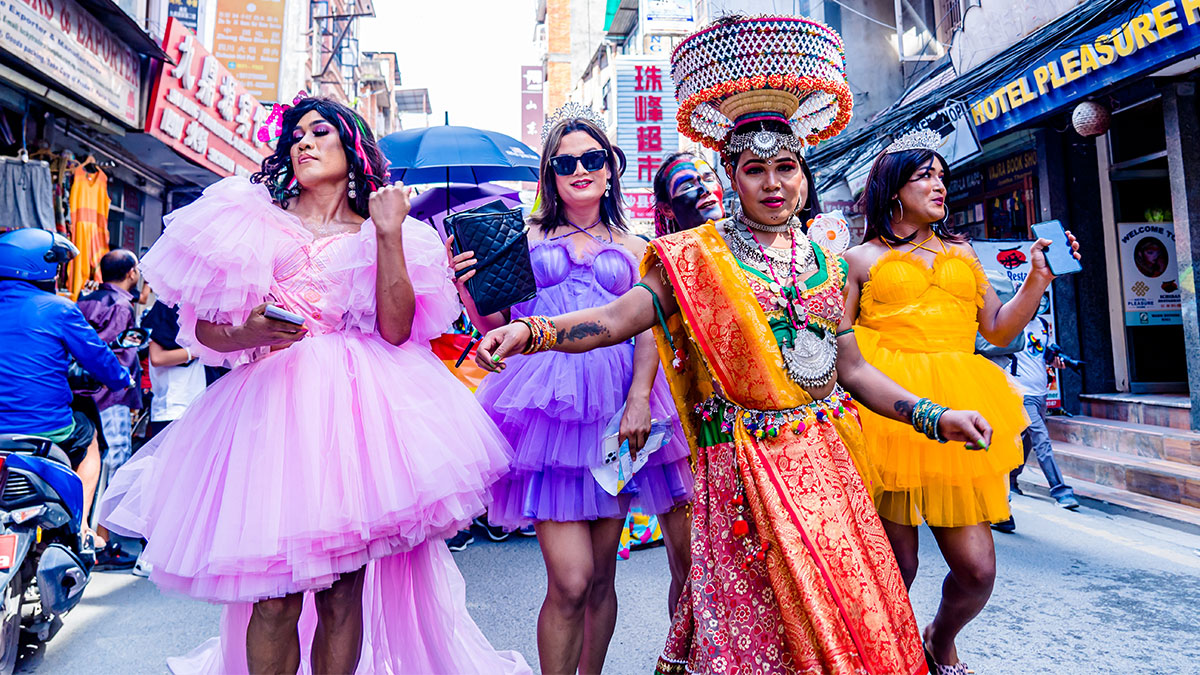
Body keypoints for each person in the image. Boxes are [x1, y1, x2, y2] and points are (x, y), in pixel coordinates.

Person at [473, 15, 993, 674]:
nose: (773, 184)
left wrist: (932, 415)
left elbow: (853, 369)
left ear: (803, 174)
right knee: (751, 641)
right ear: (731, 174)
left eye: (785, 167)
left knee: (841, 625)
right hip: (742, 477)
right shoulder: (692, 258)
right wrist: (532, 332)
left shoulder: (827, 259)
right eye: (755, 170)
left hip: (828, 472)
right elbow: (614, 320)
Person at [98, 96, 529, 674]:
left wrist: (389, 234)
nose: (302, 142)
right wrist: (247, 329)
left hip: (359, 416)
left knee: (343, 592)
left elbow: (398, 329)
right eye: (295, 135)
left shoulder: (391, 229)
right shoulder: (252, 219)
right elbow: (204, 331)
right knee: (273, 598)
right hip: (270, 411)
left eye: (319, 132)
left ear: (351, 149)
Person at [448, 103, 694, 673]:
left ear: (611, 168)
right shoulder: (520, 235)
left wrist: (638, 401)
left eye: (592, 159)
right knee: (571, 580)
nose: (579, 170)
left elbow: (650, 329)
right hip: (546, 409)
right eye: (565, 163)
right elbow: (495, 329)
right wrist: (470, 292)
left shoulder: (638, 248)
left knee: (602, 577)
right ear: (549, 175)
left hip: (619, 409)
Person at [843, 129, 1081, 673]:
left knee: (977, 571)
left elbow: (997, 330)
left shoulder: (964, 253)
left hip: (964, 409)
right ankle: (892, 659)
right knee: (896, 568)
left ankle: (939, 637)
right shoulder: (855, 260)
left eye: (942, 176)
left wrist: (1038, 282)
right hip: (886, 415)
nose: (939, 185)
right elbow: (840, 350)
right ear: (891, 189)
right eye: (924, 175)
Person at [0, 228, 132, 545]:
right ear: (41, 266)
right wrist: (121, 379)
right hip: (43, 428)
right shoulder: (58, 309)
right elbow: (100, 359)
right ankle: (82, 528)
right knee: (89, 440)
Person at [76, 249, 144, 568]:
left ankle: (83, 531)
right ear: (130, 272)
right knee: (112, 465)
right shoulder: (120, 305)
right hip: (109, 393)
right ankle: (99, 541)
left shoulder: (86, 300)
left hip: (81, 395)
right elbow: (113, 352)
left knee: (91, 463)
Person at [992, 311, 1080, 529]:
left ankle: (1011, 480)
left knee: (1027, 441)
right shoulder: (1012, 322)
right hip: (1022, 393)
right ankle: (1060, 491)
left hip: (1041, 393)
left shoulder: (1041, 324)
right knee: (1041, 439)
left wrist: (1057, 361)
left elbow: (1041, 354)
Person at [141, 299, 206, 439]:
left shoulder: (202, 305)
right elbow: (157, 357)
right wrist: (199, 350)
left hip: (200, 405)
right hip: (175, 405)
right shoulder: (168, 304)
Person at [652, 151, 726, 237]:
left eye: (709, 179)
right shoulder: (665, 250)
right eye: (688, 187)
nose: (706, 190)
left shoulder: (744, 240)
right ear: (667, 209)